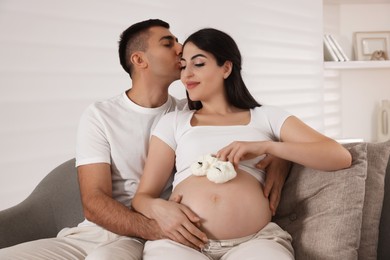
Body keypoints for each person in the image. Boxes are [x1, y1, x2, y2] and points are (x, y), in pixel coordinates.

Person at [0, 20, 290, 260]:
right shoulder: (100, 115)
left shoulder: (188, 113)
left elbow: (251, 128)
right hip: (106, 231)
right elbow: (94, 202)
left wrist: (279, 157)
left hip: (165, 238)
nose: (180, 49)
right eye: (168, 43)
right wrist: (156, 227)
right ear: (139, 60)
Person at [132, 28, 352, 260]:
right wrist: (158, 208)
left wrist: (269, 147)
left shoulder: (267, 117)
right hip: (181, 244)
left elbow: (339, 156)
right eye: (183, 65)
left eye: (198, 64)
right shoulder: (174, 122)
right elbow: (142, 196)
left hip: (254, 243)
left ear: (226, 68)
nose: (187, 75)